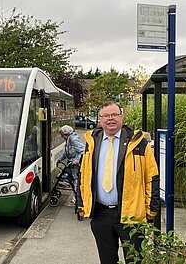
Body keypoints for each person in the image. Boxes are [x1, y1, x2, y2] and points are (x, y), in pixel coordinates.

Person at [77, 101, 159, 264]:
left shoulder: (139, 143)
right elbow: (83, 175)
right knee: (107, 260)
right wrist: (81, 203)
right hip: (100, 215)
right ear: (100, 119)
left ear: (121, 117)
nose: (110, 119)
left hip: (131, 215)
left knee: (135, 260)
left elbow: (152, 177)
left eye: (114, 115)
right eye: (105, 116)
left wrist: (152, 208)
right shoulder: (92, 142)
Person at [57, 125, 84, 205]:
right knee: (74, 181)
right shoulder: (69, 140)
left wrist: (77, 160)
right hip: (72, 165)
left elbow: (82, 150)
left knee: (76, 181)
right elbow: (66, 152)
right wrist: (60, 159)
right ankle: (75, 198)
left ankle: (76, 200)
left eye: (62, 135)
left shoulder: (73, 139)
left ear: (65, 134)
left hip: (75, 165)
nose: (62, 137)